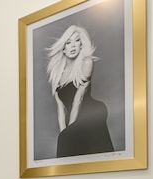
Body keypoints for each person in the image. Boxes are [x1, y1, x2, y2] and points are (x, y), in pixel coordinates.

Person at [46, 25, 114, 158]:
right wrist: (63, 133)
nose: (73, 46)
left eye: (77, 41)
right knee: (65, 141)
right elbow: (61, 109)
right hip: (74, 115)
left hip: (92, 113)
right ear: (63, 48)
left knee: (74, 144)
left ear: (82, 45)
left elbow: (79, 99)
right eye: (68, 42)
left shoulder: (86, 62)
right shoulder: (57, 74)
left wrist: (69, 131)